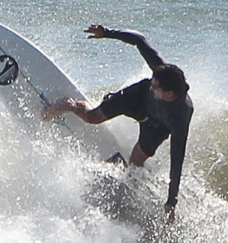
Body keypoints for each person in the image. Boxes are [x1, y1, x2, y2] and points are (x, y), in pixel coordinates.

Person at [43, 24, 193, 223]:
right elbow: (140, 39)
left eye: (155, 87)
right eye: (153, 83)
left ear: (170, 94)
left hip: (157, 126)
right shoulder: (161, 75)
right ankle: (71, 105)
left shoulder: (180, 116)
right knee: (92, 118)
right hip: (135, 100)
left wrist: (171, 201)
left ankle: (124, 190)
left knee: (136, 163)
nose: (152, 88)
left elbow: (177, 160)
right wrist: (107, 33)